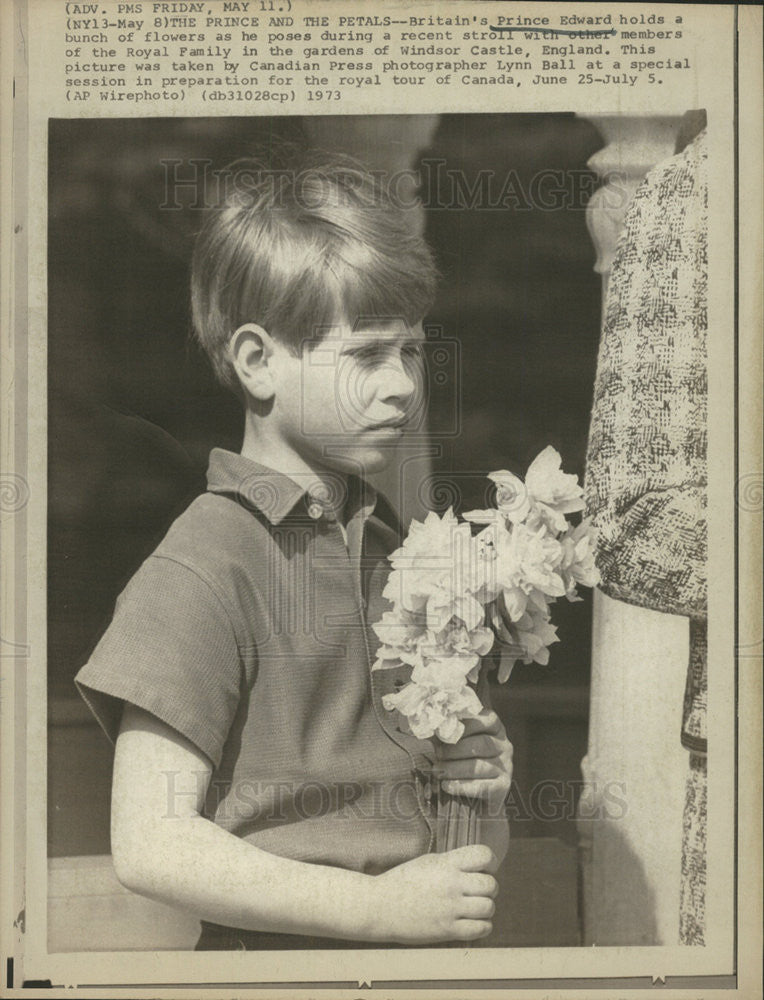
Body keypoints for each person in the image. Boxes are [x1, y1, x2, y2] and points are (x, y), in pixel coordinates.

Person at [75, 149, 512, 950]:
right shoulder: (206, 563)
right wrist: (375, 909)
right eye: (367, 354)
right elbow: (148, 842)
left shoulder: (397, 552)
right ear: (257, 361)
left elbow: (460, 870)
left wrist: (480, 790)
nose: (405, 385)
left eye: (410, 350)